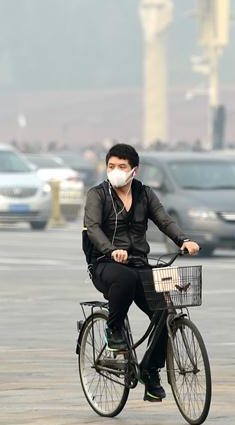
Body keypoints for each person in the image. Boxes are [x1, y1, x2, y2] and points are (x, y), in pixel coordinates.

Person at [82, 143, 200, 402]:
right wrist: (111, 250)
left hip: (139, 263)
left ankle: (150, 371)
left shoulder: (145, 194)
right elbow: (92, 228)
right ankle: (113, 329)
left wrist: (183, 240)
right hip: (105, 264)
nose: (115, 171)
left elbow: (163, 220)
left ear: (134, 170)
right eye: (111, 166)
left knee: (165, 313)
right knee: (124, 278)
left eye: (121, 167)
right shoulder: (97, 195)